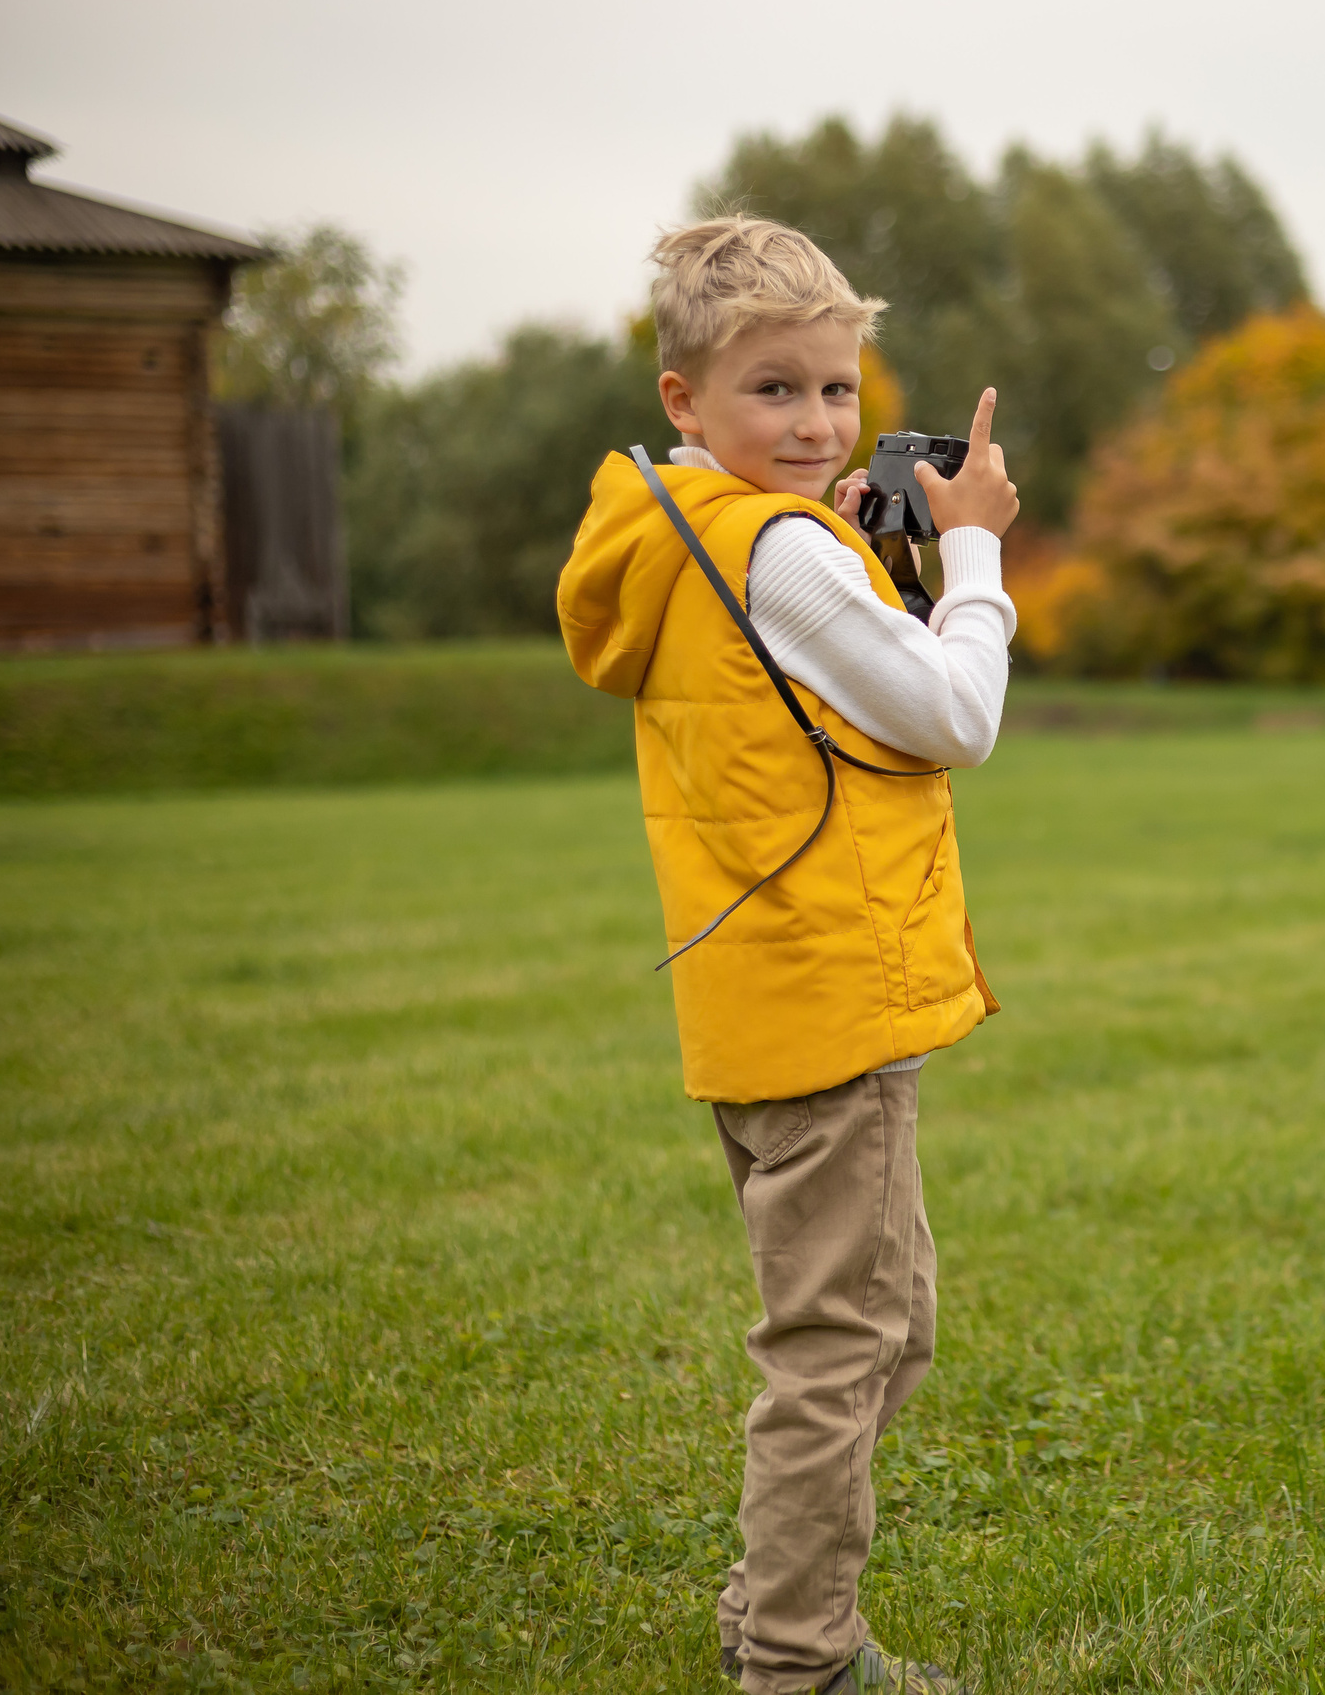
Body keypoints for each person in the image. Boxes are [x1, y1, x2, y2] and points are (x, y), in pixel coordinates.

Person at [556, 215, 1019, 1695]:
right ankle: (800, 1663)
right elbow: (958, 717)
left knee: (887, 1329)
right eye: (774, 390)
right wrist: (975, 552)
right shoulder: (781, 557)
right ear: (683, 401)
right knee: (838, 1350)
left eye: (838, 388)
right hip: (828, 1001)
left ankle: (774, 1613)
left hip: (759, 994)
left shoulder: (681, 537)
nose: (818, 423)